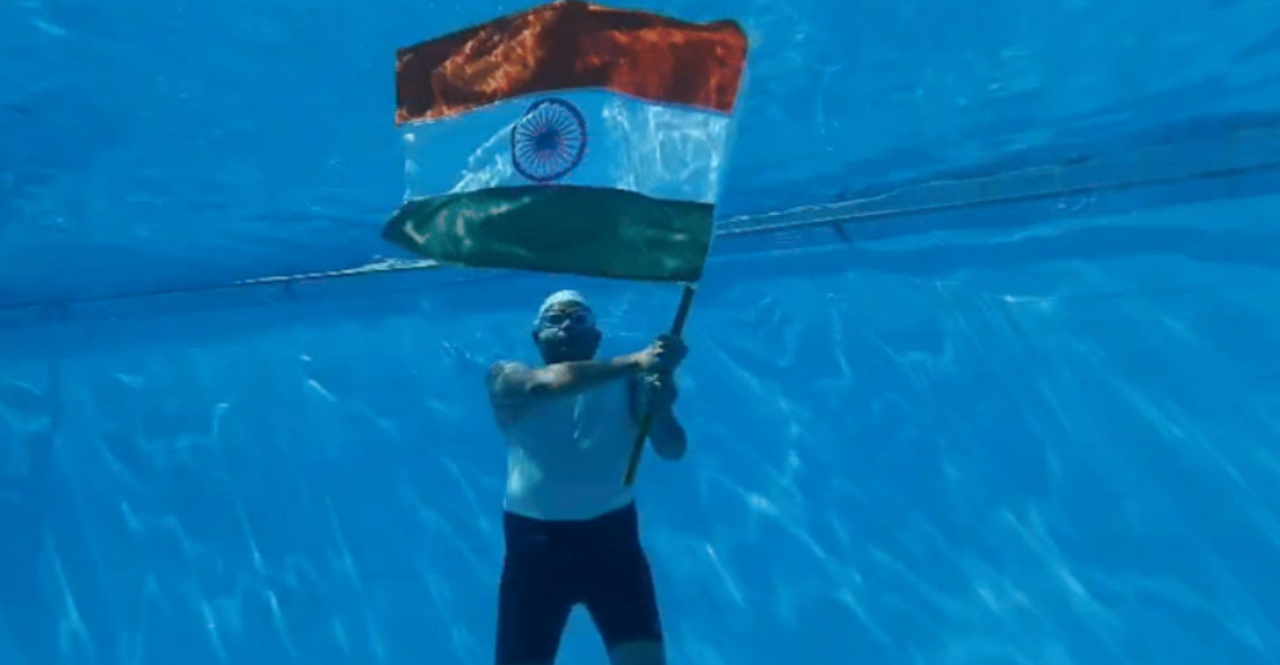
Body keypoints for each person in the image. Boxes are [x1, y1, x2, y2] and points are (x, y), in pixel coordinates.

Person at [485, 289, 689, 665]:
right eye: (554, 320)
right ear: (536, 337)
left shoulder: (632, 383)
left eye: (578, 319)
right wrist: (640, 360)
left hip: (613, 544)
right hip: (536, 549)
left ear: (596, 337)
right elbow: (543, 386)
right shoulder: (506, 377)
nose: (566, 326)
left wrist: (660, 409)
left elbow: (672, 449)